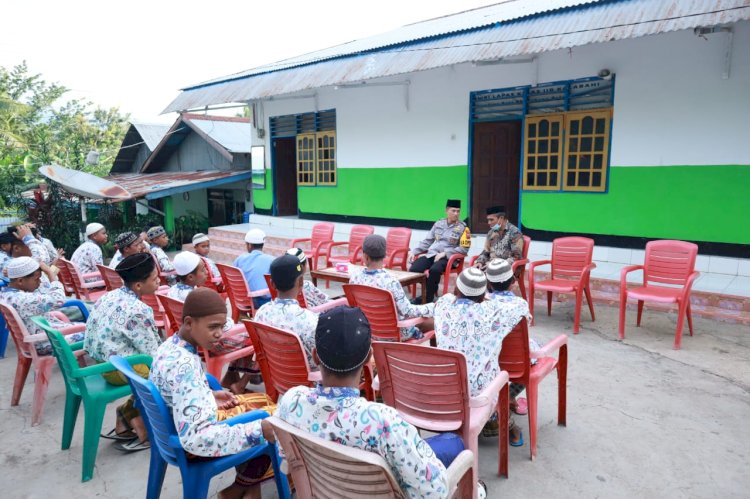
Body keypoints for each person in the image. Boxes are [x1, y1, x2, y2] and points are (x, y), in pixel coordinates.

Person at [275, 306, 487, 499]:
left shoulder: (291, 402)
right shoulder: (383, 422)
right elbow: (433, 492)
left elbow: (285, 459)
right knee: (455, 443)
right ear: (369, 357)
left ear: (316, 356)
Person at [151, 288, 277, 499]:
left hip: (172, 427)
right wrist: (258, 431)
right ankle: (242, 488)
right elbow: (197, 438)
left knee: (263, 401)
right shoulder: (186, 366)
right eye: (213, 327)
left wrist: (207, 394)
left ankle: (248, 487)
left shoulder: (170, 347)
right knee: (275, 421)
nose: (220, 333)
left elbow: (177, 392)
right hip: (190, 444)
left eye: (222, 326)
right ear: (189, 323)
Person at [433, 268, 528, 443]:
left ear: (456, 288)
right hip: (480, 396)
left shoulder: (442, 304)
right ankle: (505, 421)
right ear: (483, 293)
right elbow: (522, 309)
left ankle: (497, 422)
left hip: (445, 388)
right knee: (502, 375)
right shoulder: (495, 311)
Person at [84, 253, 162, 452]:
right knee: (163, 374)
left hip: (102, 364)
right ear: (138, 285)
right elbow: (152, 353)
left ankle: (127, 417)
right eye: (154, 279)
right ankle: (139, 421)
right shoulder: (138, 309)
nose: (159, 281)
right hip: (119, 369)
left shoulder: (109, 296)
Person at [168, 251, 256, 393]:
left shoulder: (173, 291)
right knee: (256, 338)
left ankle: (231, 375)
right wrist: (237, 326)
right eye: (203, 270)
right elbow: (220, 327)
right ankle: (240, 383)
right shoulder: (197, 297)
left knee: (244, 332)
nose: (207, 272)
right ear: (190, 277)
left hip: (195, 339)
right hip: (211, 343)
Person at [485, 258, 537, 439]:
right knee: (533, 359)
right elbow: (527, 324)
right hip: (516, 364)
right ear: (513, 282)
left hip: (489, 363)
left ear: (488, 283)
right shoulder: (520, 304)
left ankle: (503, 398)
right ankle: (509, 395)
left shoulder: (481, 303)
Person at [350, 234, 433, 340]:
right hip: (394, 333)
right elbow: (407, 311)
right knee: (431, 321)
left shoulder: (355, 278)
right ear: (385, 255)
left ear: (365, 256)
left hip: (368, 330)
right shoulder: (391, 282)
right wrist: (432, 307)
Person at [0, 256, 85, 355]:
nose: (40, 283)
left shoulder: (7, 294)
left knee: (89, 327)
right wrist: (50, 273)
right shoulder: (22, 300)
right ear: (20, 281)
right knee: (95, 333)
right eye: (37, 279)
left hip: (42, 338)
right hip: (47, 342)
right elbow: (58, 299)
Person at [253, 254, 319, 369]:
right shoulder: (311, 321)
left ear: (272, 284)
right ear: (301, 282)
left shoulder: (261, 313)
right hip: (306, 382)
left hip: (277, 377)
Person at [408, 199, 471, 303]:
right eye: (453, 211)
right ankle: (432, 288)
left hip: (449, 258)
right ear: (447, 210)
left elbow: (464, 248)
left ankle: (427, 298)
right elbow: (427, 241)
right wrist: (414, 251)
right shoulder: (438, 224)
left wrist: (446, 253)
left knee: (435, 270)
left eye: (458, 211)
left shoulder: (464, 228)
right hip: (432, 255)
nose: (456, 213)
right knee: (414, 268)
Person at [232, 228, 273, 309]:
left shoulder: (239, 259)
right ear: (262, 244)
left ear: (249, 245)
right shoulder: (271, 260)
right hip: (262, 302)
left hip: (241, 299)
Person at [473, 206, 524, 270]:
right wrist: (479, 262)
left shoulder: (514, 232)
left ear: (501, 218)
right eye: (488, 220)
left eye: (491, 220)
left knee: (481, 278)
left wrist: (496, 265)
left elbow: (516, 257)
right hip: (490, 266)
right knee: (471, 275)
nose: (489, 223)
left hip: (507, 269)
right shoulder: (491, 233)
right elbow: (486, 251)